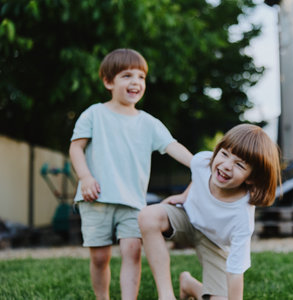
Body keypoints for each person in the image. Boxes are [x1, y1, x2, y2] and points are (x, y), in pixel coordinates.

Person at [69, 48, 192, 300]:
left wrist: (199, 163)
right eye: (127, 75)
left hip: (133, 201)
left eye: (141, 76)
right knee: (100, 257)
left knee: (133, 251)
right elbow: (75, 148)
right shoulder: (94, 114)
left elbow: (173, 147)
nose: (135, 82)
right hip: (96, 198)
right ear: (108, 82)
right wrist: (85, 177)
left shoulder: (149, 122)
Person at [138, 124, 281, 300]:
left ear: (251, 178)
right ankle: (166, 295)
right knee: (148, 216)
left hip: (214, 242)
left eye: (239, 165)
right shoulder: (203, 162)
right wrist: (184, 196)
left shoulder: (242, 217)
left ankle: (189, 284)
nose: (226, 165)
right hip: (188, 219)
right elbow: (198, 174)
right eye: (225, 154)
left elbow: (236, 271)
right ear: (217, 151)